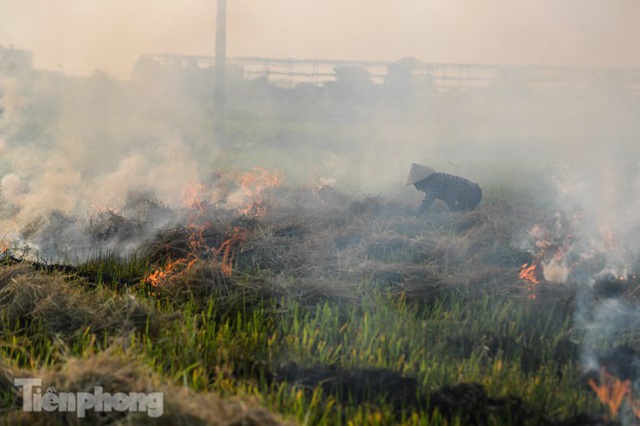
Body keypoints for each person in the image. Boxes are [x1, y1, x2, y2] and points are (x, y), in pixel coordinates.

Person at [405, 163, 482, 214]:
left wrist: (414, 215)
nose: (417, 188)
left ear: (422, 181)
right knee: (456, 213)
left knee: (462, 215)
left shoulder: (433, 184)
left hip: (472, 193)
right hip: (470, 193)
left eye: (416, 185)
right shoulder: (434, 179)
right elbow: (449, 197)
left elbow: (426, 203)